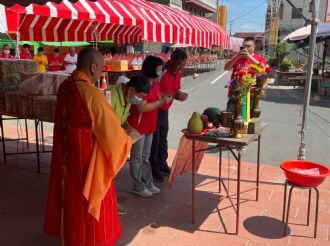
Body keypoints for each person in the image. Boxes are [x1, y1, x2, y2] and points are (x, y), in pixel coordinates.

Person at [44, 47, 134, 245]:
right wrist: (129, 139)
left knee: (70, 207)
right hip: (88, 168)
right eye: (101, 69)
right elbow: (113, 138)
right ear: (93, 67)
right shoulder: (91, 94)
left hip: (67, 160)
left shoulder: (65, 87)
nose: (102, 73)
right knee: (89, 218)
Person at [106, 75, 150, 215]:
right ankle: (107, 203)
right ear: (131, 89)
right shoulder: (110, 96)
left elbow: (121, 119)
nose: (140, 100)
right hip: (104, 141)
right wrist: (126, 136)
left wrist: (130, 128)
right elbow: (106, 125)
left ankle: (110, 201)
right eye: (140, 96)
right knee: (105, 175)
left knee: (110, 175)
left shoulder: (127, 97)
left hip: (114, 141)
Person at [128, 56, 172, 197]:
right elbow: (141, 108)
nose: (161, 71)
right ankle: (138, 186)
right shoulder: (142, 83)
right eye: (159, 68)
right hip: (138, 127)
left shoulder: (156, 84)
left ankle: (148, 182)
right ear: (151, 68)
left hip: (150, 126)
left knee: (146, 157)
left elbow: (158, 96)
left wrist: (167, 97)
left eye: (161, 68)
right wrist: (160, 103)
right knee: (137, 157)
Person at [149, 49, 189, 183]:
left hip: (165, 109)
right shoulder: (162, 71)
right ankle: (154, 169)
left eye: (182, 65)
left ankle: (162, 164)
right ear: (171, 60)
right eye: (178, 64)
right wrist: (167, 96)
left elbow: (175, 89)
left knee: (163, 139)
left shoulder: (178, 73)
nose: (179, 68)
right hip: (155, 109)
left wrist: (179, 95)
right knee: (155, 139)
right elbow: (153, 90)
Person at [224, 37, 267, 111]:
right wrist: (237, 56)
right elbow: (226, 68)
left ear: (254, 47)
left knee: (246, 116)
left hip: (250, 92)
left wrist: (249, 57)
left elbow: (262, 70)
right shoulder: (236, 56)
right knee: (230, 114)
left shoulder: (259, 58)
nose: (246, 48)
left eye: (248, 46)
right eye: (244, 46)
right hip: (235, 91)